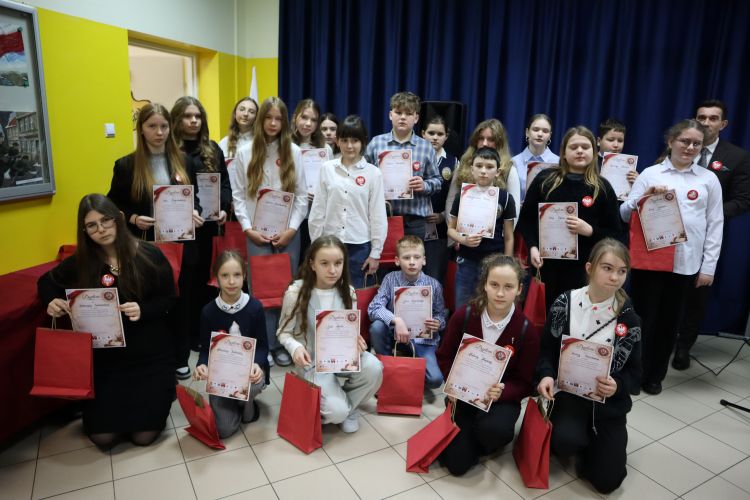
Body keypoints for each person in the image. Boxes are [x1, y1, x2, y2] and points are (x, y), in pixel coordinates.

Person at [38, 194, 177, 449]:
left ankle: (161, 395)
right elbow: (45, 282)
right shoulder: (82, 262)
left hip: (151, 357)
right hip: (106, 362)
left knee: (143, 437)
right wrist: (52, 301)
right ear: (85, 231)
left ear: (119, 219)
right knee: (104, 438)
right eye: (92, 225)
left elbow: (169, 300)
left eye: (106, 220)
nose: (101, 229)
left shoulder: (149, 254)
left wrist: (143, 309)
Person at [621, 120, 723, 394]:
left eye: (696, 144)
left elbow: (715, 224)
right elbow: (625, 213)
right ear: (670, 142)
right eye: (684, 141)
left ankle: (655, 376)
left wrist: (708, 267)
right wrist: (642, 198)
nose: (690, 147)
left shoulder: (708, 179)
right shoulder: (650, 174)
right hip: (650, 261)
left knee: (669, 322)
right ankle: (634, 374)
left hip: (685, 263)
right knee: (642, 319)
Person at [536, 238, 641, 494]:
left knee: (608, 482)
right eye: (607, 268)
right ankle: (578, 439)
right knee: (564, 442)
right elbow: (546, 350)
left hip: (607, 405)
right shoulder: (565, 303)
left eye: (622, 271)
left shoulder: (629, 319)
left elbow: (636, 374)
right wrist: (546, 375)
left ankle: (592, 447)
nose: (614, 277)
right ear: (589, 268)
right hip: (568, 395)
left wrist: (617, 386)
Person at [107, 102, 203, 379]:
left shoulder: (185, 161)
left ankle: (181, 357)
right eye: (152, 126)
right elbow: (113, 205)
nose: (159, 132)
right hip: (145, 247)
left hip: (182, 245)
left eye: (164, 126)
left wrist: (195, 212)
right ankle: (156, 356)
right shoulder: (126, 165)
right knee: (153, 302)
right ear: (141, 129)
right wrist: (133, 218)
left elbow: (194, 198)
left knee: (181, 302)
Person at [436, 254, 540, 476]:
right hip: (465, 395)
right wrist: (451, 383)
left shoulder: (526, 330)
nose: (500, 293)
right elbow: (444, 356)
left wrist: (504, 391)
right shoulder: (464, 315)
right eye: (494, 285)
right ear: (484, 284)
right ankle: (466, 436)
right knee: (456, 465)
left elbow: (526, 382)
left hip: (500, 400)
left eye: (508, 287)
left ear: (519, 289)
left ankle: (482, 438)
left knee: (494, 432)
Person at [277, 236, 383, 433]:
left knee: (374, 367)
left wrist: (355, 338)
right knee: (336, 413)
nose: (332, 270)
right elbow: (283, 332)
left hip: (342, 357)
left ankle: (347, 407)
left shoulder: (348, 291)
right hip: (312, 362)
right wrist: (296, 348)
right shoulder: (295, 292)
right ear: (312, 264)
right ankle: (343, 408)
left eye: (338, 263)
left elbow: (347, 328)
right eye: (324, 263)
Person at [231, 96, 308, 367]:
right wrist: (248, 228)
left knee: (286, 289)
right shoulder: (245, 152)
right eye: (268, 118)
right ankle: (265, 344)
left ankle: (283, 342)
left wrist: (292, 229)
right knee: (261, 290)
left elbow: (301, 196)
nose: (273, 123)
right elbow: (238, 196)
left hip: (288, 234)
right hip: (257, 234)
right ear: (260, 119)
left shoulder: (294, 152)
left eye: (278, 119)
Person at [674, 100, 750, 369]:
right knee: (668, 292)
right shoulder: (680, 148)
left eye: (713, 118)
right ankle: (661, 340)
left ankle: (684, 347)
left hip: (708, 236)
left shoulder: (736, 157)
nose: (706, 122)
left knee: (697, 294)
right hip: (672, 234)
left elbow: (743, 200)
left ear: (723, 124)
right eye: (701, 117)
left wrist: (708, 213)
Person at [518, 126, 622, 310]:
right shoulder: (545, 179)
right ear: (564, 153)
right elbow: (526, 221)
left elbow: (616, 234)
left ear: (594, 152)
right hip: (547, 265)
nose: (580, 151)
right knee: (548, 316)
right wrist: (532, 247)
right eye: (574, 147)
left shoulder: (603, 187)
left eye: (585, 147)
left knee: (577, 317)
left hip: (585, 270)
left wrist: (590, 231)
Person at [171, 96, 231, 352]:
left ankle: (201, 333)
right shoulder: (169, 151)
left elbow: (225, 184)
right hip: (179, 230)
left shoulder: (212, 149)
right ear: (177, 119)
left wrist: (224, 207)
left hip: (207, 228)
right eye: (187, 116)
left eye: (198, 116)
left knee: (205, 282)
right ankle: (183, 336)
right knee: (184, 283)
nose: (193, 121)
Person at [193, 251, 268, 438]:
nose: (231, 281)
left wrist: (257, 364)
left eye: (237, 275)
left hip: (247, 371)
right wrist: (201, 365)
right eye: (225, 275)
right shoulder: (208, 312)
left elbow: (262, 346)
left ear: (244, 276)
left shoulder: (255, 307)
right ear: (216, 278)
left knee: (253, 389)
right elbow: (205, 350)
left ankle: (247, 405)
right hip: (222, 375)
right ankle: (235, 403)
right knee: (224, 430)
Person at [308, 115, 387, 288]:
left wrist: (375, 252)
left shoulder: (373, 173)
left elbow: (378, 216)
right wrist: (316, 245)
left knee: (355, 295)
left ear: (363, 141)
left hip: (360, 246)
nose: (349, 146)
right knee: (329, 293)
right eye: (344, 140)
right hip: (329, 243)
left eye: (355, 140)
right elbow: (318, 210)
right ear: (337, 141)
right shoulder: (327, 168)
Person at [368, 235, 447, 389]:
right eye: (406, 257)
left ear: (424, 260)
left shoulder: (434, 285)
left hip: (422, 339)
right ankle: (387, 367)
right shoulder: (390, 279)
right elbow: (373, 308)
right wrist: (396, 320)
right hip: (394, 334)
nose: (412, 262)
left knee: (435, 380)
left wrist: (438, 323)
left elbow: (441, 315)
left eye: (416, 257)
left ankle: (409, 374)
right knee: (377, 327)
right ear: (397, 261)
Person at [364, 91, 442, 238]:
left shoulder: (426, 147)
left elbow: (437, 182)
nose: (403, 117)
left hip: (414, 221)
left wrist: (424, 185)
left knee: (413, 254)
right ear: (390, 115)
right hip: (382, 217)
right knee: (382, 254)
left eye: (408, 113)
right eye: (398, 112)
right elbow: (362, 176)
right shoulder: (376, 143)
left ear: (416, 118)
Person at [447, 147, 516, 309]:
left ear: (497, 172)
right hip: (467, 261)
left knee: (490, 307)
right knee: (463, 307)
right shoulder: (462, 196)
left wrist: (507, 264)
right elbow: (450, 229)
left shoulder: (505, 198)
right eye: (479, 166)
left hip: (494, 263)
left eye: (489, 167)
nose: (483, 171)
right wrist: (463, 240)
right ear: (472, 169)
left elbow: (509, 236)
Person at [446, 119, 521, 228]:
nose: (485, 143)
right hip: (462, 233)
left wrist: (502, 236)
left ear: (499, 142)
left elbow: (514, 210)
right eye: (481, 138)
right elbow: (451, 200)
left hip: (495, 234)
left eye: (491, 139)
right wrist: (454, 231)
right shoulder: (463, 165)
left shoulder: (509, 170)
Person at [291, 98, 334, 267]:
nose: (308, 123)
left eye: (313, 120)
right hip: (291, 216)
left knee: (315, 262)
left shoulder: (325, 148)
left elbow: (332, 182)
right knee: (294, 264)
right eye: (304, 117)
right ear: (295, 117)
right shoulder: (285, 144)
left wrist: (321, 193)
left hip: (317, 216)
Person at [421, 115, 458, 283]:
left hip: (440, 229)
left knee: (434, 277)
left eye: (440, 134)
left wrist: (443, 215)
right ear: (423, 134)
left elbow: (456, 197)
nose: (435, 137)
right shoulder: (413, 157)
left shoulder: (453, 162)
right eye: (431, 133)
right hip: (414, 225)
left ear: (446, 136)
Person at [511, 113, 560, 202]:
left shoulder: (559, 163)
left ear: (550, 135)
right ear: (527, 132)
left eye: (545, 131)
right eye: (536, 130)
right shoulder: (513, 162)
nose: (540, 134)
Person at [218, 97, 258, 161]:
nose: (246, 114)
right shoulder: (224, 143)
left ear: (256, 117)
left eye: (251, 112)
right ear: (235, 113)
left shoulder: (261, 142)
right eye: (242, 109)